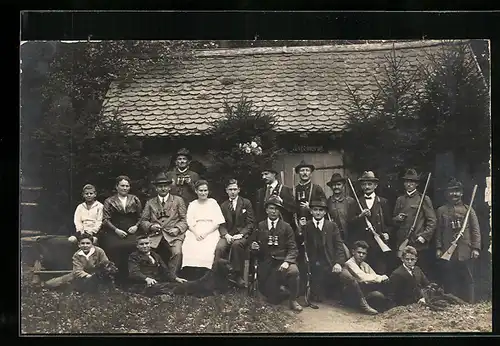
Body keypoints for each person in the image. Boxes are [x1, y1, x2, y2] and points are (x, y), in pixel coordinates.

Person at [249, 195, 303, 312]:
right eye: (272, 208)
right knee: (272, 299)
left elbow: (293, 248)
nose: (274, 211)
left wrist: (287, 262)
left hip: (282, 262)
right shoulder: (260, 226)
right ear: (266, 210)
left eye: (277, 209)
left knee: (294, 271)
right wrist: (254, 247)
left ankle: (293, 299)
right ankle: (279, 291)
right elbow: (253, 246)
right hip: (266, 263)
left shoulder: (286, 227)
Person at [436, 177, 481, 304]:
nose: (454, 194)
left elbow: (475, 230)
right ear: (447, 194)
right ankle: (452, 302)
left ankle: (470, 303)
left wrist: (475, 248)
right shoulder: (441, 210)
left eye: (457, 191)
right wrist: (439, 248)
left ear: (461, 193)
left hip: (465, 250)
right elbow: (439, 231)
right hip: (447, 250)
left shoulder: (469, 209)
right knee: (450, 278)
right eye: (451, 191)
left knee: (468, 278)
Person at [140, 172, 188, 281]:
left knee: (177, 252)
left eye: (165, 186)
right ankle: (150, 277)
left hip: (173, 235)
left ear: (169, 187)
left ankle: (172, 276)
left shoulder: (178, 200)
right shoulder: (150, 202)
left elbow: (184, 219)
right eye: (160, 186)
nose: (163, 188)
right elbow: (143, 220)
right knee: (145, 251)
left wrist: (177, 229)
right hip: (155, 235)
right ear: (156, 188)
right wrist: (151, 226)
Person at [392, 169, 437, 276]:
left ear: (416, 184)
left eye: (412, 182)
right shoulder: (400, 199)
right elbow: (393, 221)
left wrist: (424, 236)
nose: (409, 184)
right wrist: (397, 218)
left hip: (418, 242)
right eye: (407, 181)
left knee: (418, 272)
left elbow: (432, 221)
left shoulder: (423, 199)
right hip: (403, 242)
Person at [179, 180, 225, 280]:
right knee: (189, 245)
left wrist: (205, 233)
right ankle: (191, 274)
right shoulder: (193, 204)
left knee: (207, 247)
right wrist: (196, 234)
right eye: (200, 190)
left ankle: (205, 275)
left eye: (205, 190)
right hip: (195, 230)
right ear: (196, 191)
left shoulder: (213, 202)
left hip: (210, 230)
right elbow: (189, 222)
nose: (203, 193)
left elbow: (218, 222)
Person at [100, 175, 143, 284]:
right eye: (122, 186)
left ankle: (134, 278)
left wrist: (136, 226)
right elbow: (105, 219)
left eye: (127, 186)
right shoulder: (109, 201)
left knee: (135, 246)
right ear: (117, 187)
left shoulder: (135, 199)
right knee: (113, 247)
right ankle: (116, 279)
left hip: (131, 229)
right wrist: (116, 230)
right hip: (114, 230)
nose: (125, 188)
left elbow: (141, 216)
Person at [303, 199, 347, 302]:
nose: (318, 212)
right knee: (315, 295)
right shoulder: (307, 226)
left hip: (328, 262)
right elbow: (301, 244)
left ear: (325, 212)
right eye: (315, 210)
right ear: (311, 211)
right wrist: (300, 229)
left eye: (321, 210)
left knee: (335, 291)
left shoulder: (332, 226)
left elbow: (339, 246)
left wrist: (338, 263)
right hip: (312, 263)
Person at [349, 171, 393, 275]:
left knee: (380, 271)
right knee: (364, 273)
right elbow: (350, 223)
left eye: (369, 184)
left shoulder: (383, 202)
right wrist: (360, 216)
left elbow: (390, 223)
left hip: (378, 243)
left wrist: (387, 233)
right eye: (364, 184)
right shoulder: (356, 202)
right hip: (363, 245)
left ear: (375, 185)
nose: (367, 187)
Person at [215, 179, 255, 288]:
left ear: (239, 190)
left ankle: (236, 275)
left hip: (242, 235)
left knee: (236, 245)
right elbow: (221, 224)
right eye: (230, 189)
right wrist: (226, 235)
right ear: (226, 191)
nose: (233, 192)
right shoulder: (223, 205)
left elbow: (250, 223)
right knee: (219, 247)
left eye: (235, 189)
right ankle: (218, 276)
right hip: (228, 234)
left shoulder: (246, 203)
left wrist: (241, 234)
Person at [44, 232, 111, 290]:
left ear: (92, 244)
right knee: (62, 281)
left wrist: (99, 274)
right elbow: (78, 271)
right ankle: (46, 284)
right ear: (79, 245)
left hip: (96, 275)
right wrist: (89, 276)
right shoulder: (77, 255)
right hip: (82, 276)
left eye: (88, 243)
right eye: (82, 243)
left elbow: (106, 264)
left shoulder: (99, 251)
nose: (85, 246)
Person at [342, 240, 390, 315]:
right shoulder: (350, 263)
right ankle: (359, 307)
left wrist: (377, 278)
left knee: (379, 295)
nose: (361, 255)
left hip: (363, 292)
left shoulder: (364, 264)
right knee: (376, 293)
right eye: (359, 252)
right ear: (353, 252)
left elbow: (373, 275)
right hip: (351, 293)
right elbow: (363, 278)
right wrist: (380, 278)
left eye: (364, 253)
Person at [325, 173, 357, 252]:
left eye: (338, 184)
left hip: (349, 236)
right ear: (331, 187)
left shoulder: (350, 201)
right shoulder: (327, 202)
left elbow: (355, 220)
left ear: (343, 185)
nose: (336, 187)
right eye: (334, 185)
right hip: (334, 237)